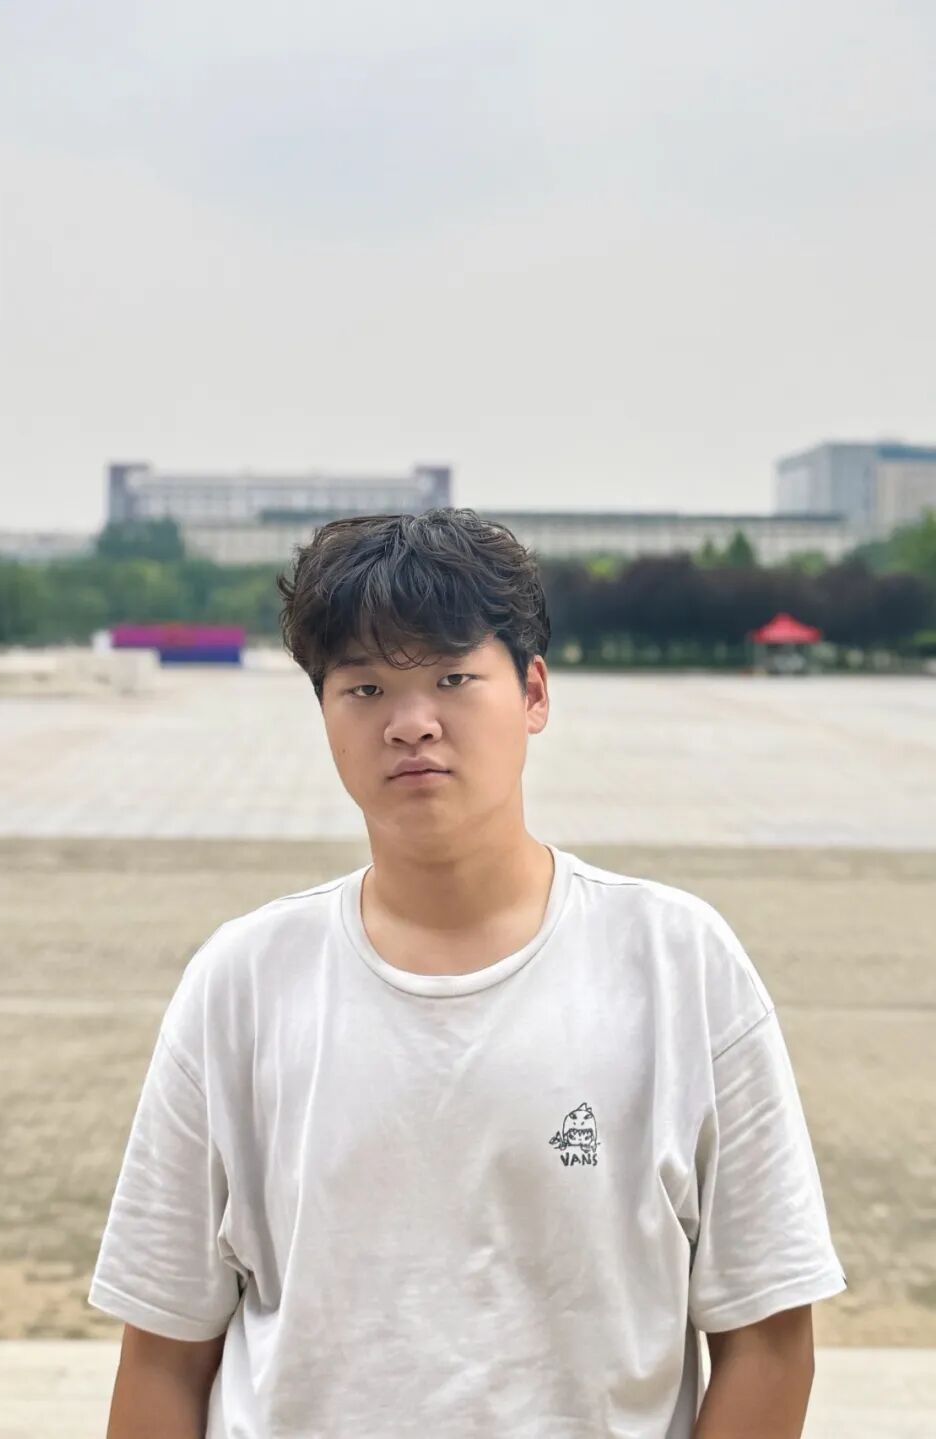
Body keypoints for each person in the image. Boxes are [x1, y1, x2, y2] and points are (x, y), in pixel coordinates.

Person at [88, 508, 846, 1438]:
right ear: (323, 713)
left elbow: (769, 1340)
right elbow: (164, 1354)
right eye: (366, 687)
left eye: (452, 677)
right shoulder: (241, 983)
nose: (411, 724)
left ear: (533, 692)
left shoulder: (679, 964)